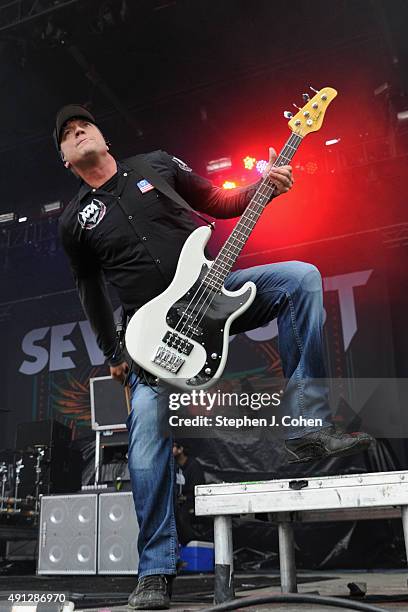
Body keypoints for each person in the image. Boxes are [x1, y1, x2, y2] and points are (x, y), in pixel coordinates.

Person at [56, 104, 374, 609]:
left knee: (301, 279)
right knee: (145, 436)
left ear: (103, 137)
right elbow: (89, 290)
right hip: (150, 333)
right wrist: (113, 350)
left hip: (212, 289)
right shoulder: (75, 220)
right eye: (67, 135)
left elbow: (218, 203)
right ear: (65, 159)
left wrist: (264, 186)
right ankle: (156, 570)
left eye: (84, 125)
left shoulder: (155, 165)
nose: (77, 132)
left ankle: (306, 427)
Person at [173, 441, 208, 546]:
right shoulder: (173, 467)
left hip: (191, 504)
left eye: (173, 446)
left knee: (182, 516)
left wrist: (183, 498)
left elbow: (196, 491)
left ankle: (189, 545)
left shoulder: (194, 466)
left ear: (180, 449)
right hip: (178, 503)